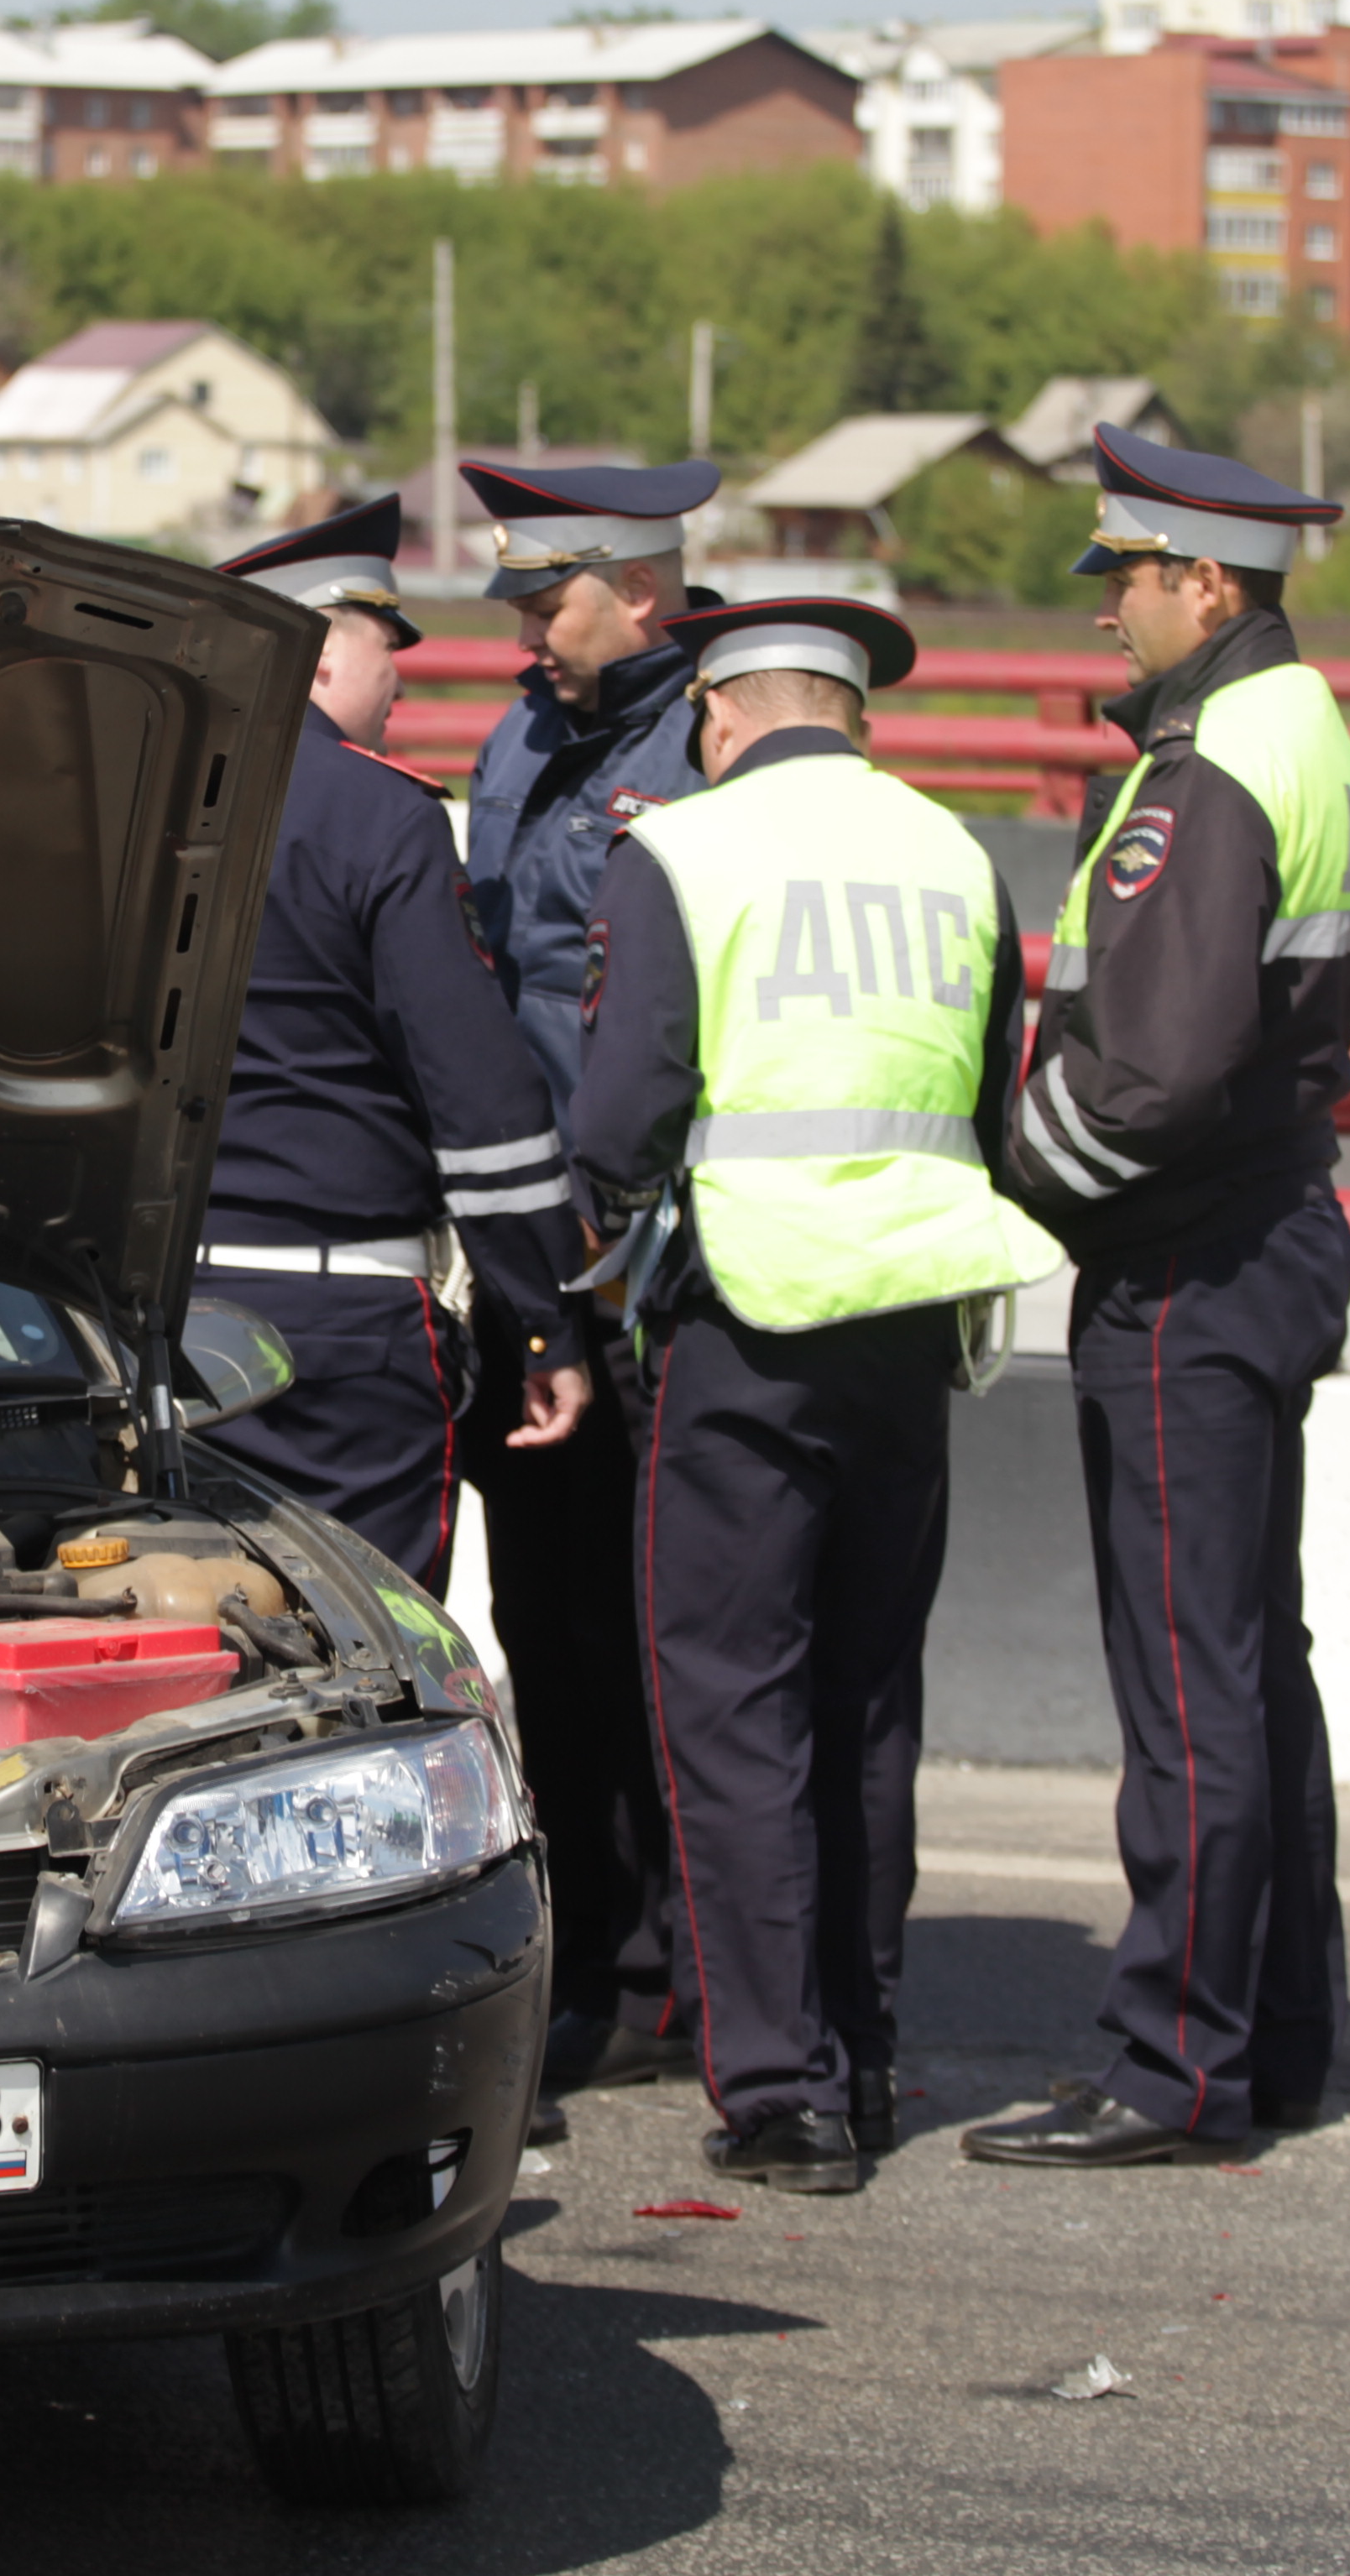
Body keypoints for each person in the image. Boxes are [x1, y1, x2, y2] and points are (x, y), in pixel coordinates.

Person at [566, 597, 1060, 2191]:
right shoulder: (955, 857)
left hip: (747, 1328)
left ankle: (780, 2089)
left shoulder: (689, 853)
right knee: (866, 1704)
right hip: (909, 1322)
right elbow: (992, 1091)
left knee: (731, 1701)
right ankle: (870, 2054)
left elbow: (622, 1119)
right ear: (858, 716)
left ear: (718, 711)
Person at [962, 426, 1350, 2171]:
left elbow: (1148, 1075)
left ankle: (1175, 2070)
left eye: (1125, 579)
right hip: (1265, 1234)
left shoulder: (1212, 761)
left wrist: (1006, 1195)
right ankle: (1270, 2040)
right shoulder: (1305, 728)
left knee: (1190, 1690)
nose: (1110, 611)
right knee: (1252, 1668)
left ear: (1205, 582)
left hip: (1190, 1261)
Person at [453, 456, 724, 2098]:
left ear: (645, 591)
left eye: (549, 605)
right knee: (547, 1624)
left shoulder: (707, 740)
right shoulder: (518, 737)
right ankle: (599, 1945)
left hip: (656, 1255)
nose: (529, 636)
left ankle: (697, 1956)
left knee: (669, 1622)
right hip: (527, 1251)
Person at [197, 494, 590, 1602]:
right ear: (320, 656)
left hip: (161, 1318)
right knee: (369, 1650)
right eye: (386, 646)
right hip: (344, 1335)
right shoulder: (383, 816)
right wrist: (544, 1321)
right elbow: (480, 1101)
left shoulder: (146, 805)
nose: (402, 679)